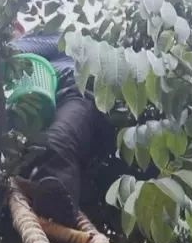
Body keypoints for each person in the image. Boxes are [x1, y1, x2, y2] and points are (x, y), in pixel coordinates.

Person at [9, 25, 115, 228]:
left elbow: (12, 51)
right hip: (53, 113)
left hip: (75, 94)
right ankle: (55, 202)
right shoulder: (19, 80)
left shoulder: (48, 38)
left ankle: (58, 209)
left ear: (18, 28)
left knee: (57, 142)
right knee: (34, 162)